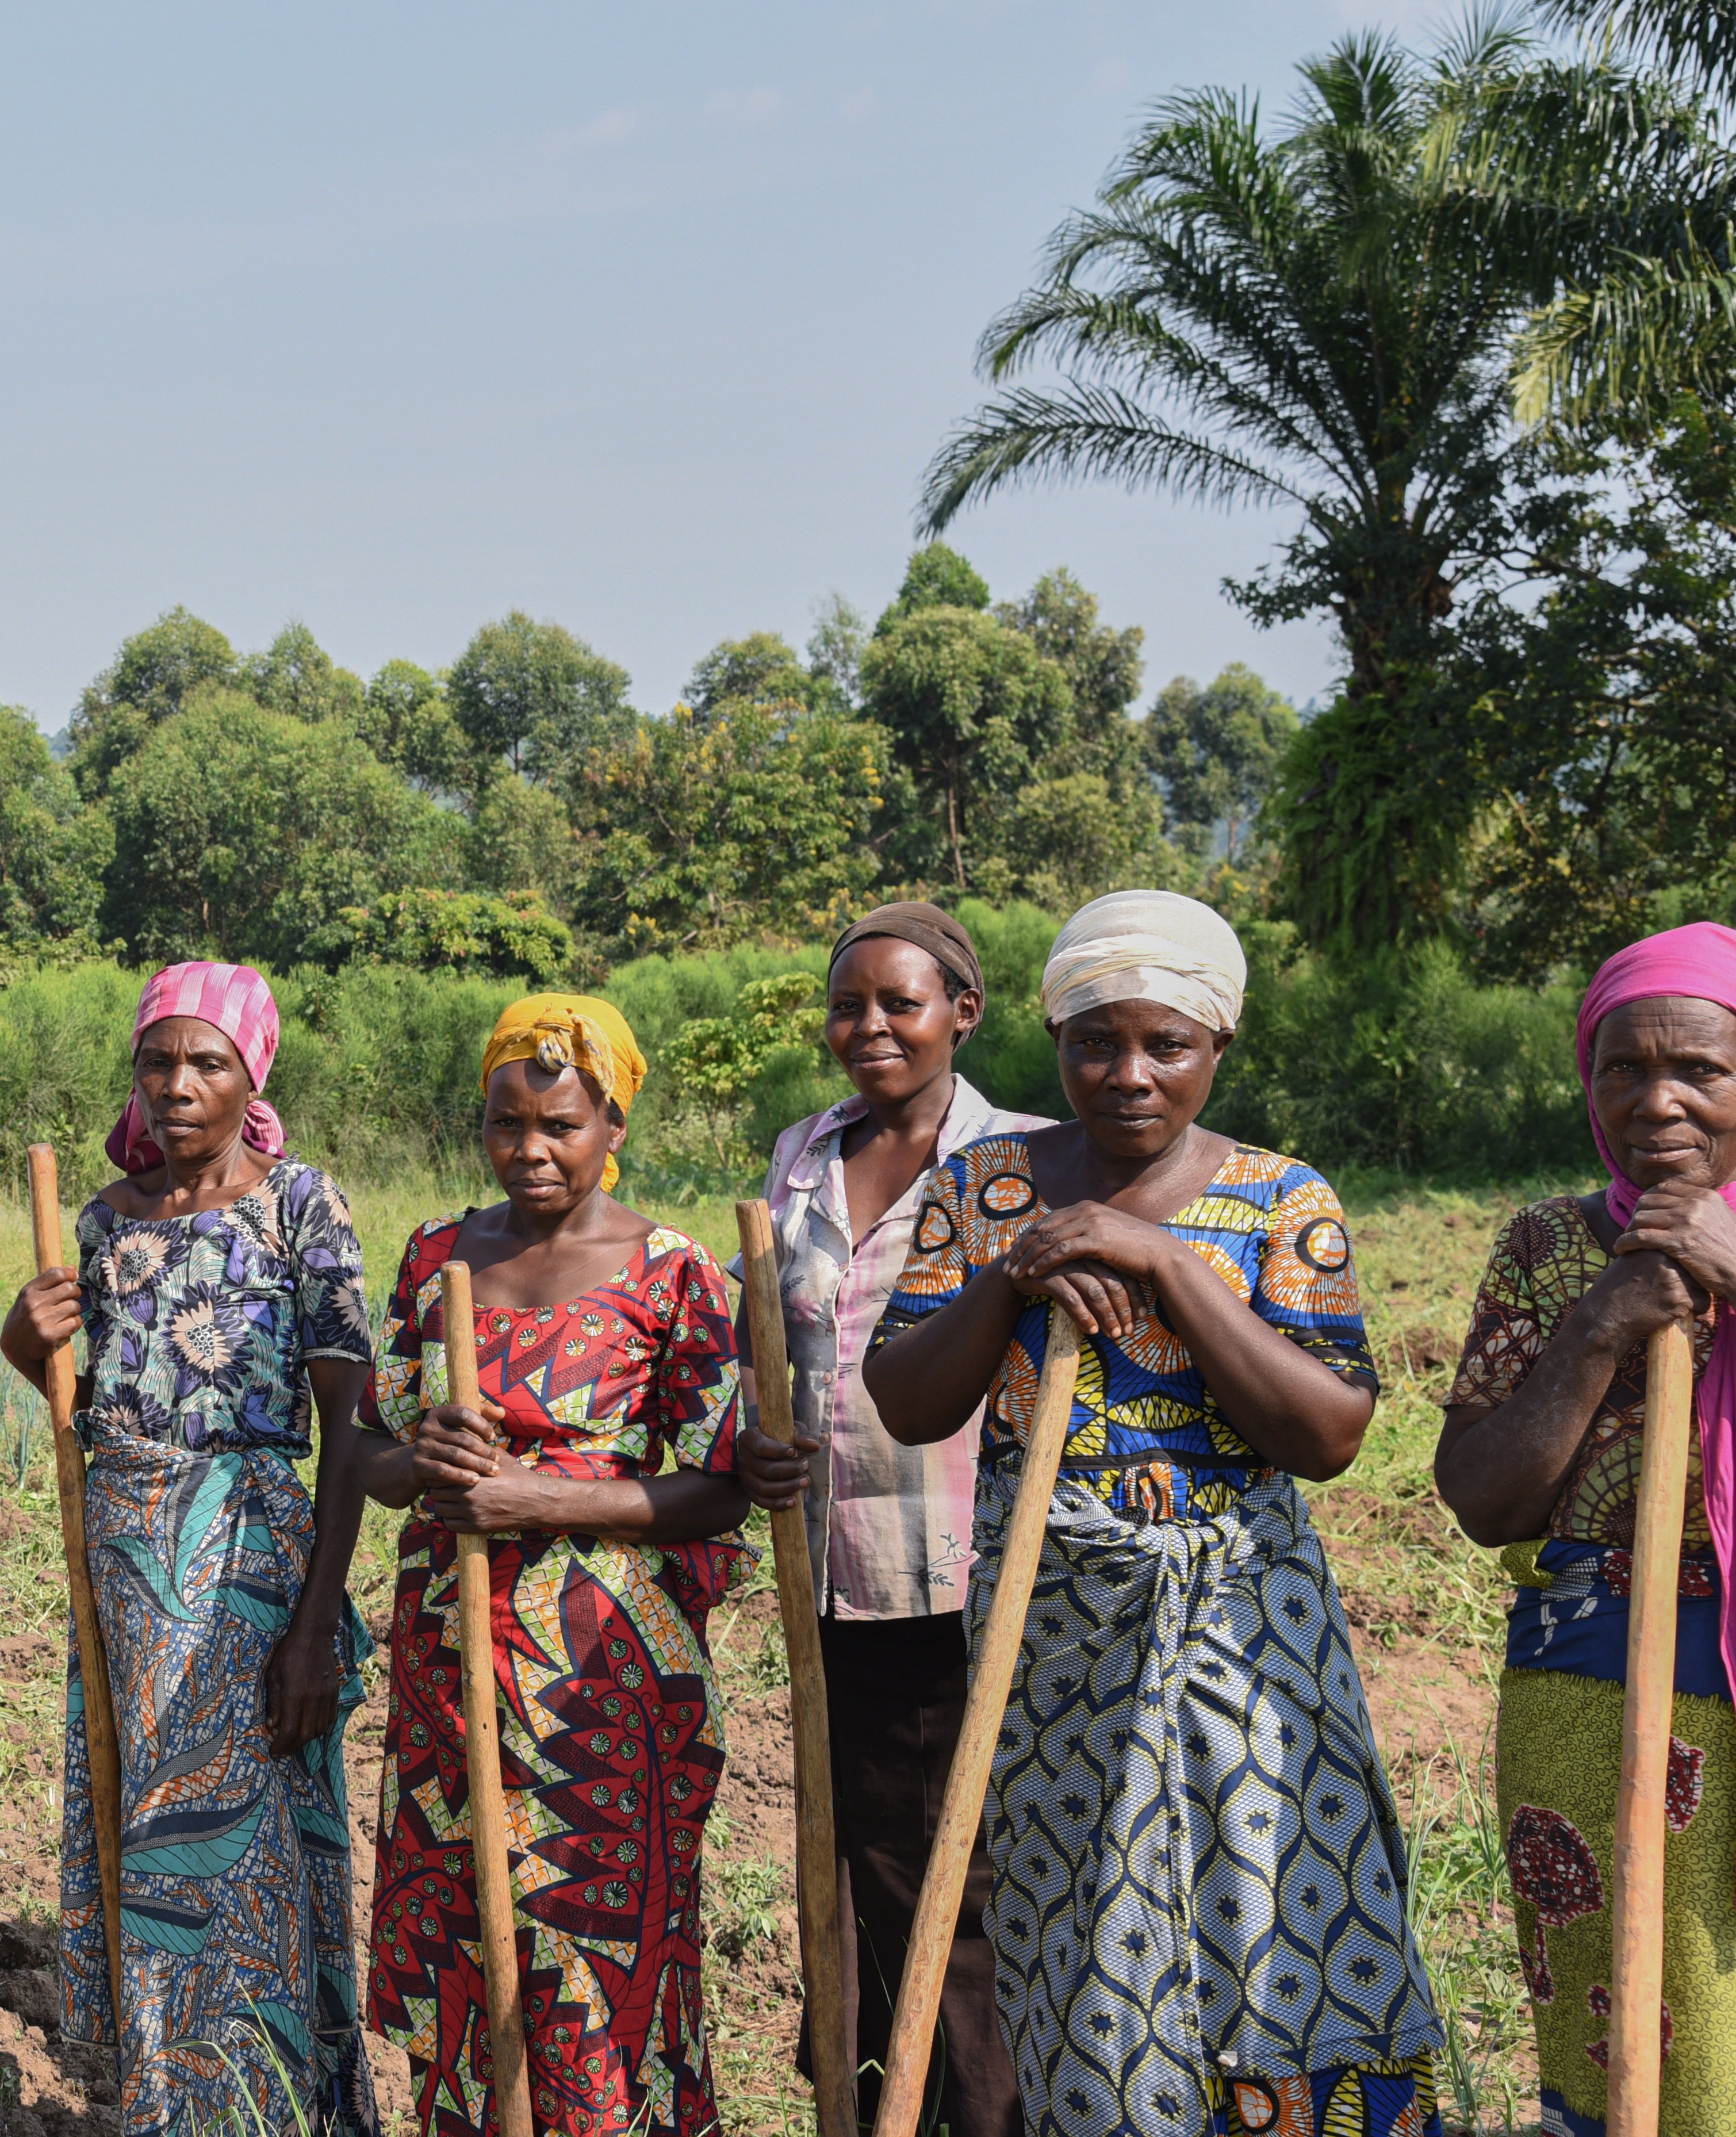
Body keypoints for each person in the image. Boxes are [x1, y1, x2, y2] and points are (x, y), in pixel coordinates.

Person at [862, 891, 1442, 2135]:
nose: (1125, 1074)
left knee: (1275, 1912)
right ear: (1053, 1041)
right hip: (1051, 1633)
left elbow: (1327, 1432)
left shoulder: (1279, 1200)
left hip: (1244, 1630)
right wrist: (1013, 1278)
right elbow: (904, 1401)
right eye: (1092, 1042)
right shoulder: (984, 1187)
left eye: (1163, 1044)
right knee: (1080, 1940)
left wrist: (1166, 1265)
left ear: (1216, 1046)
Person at [352, 994, 748, 2136]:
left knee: (599, 1940)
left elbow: (717, 1481)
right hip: (450, 1656)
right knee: (470, 1932)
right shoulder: (436, 1255)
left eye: (560, 1126)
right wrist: (420, 1455)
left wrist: (544, 1498)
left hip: (605, 1676)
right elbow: (368, 1457)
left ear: (613, 1124)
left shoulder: (670, 1272)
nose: (529, 1150)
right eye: (505, 1123)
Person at [0, 960, 380, 2137]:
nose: (176, 1085)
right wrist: (23, 1346)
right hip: (126, 1588)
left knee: (252, 1863)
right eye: (156, 1061)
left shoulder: (298, 1207)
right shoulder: (107, 1221)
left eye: (205, 1061)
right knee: (152, 1858)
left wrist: (312, 1627)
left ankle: (262, 2107)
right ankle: (169, 2107)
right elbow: (85, 1407)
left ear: (249, 1074)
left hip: (248, 1591)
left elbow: (351, 1429)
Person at [729, 905, 1036, 2136]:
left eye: (897, 1004)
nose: (867, 1028)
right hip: (825, 1573)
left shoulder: (1022, 1160)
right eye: (846, 1005)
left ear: (961, 1010)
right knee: (842, 1861)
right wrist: (752, 1436)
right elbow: (773, 1345)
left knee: (950, 1881)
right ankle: (855, 2112)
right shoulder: (801, 1153)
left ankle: (975, 2111)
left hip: (961, 1575)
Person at [1432, 921, 1736, 2127]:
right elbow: (1479, 1496)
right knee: (1642, 2029)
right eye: (1621, 1067)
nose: (1654, 1100)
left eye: (1698, 1069)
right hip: (1591, 1683)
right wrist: (1599, 1323)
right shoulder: (1547, 1244)